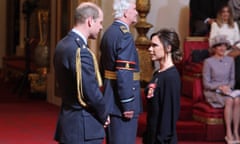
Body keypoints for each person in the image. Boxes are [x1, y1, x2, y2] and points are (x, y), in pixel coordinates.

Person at [53, 2, 110, 144]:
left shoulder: (62, 44)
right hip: (83, 127)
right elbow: (90, 91)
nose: (101, 27)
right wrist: (104, 115)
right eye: (100, 22)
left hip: (68, 122)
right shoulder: (80, 51)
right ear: (90, 21)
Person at [99, 0, 142, 143]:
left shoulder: (109, 32)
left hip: (110, 98)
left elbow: (102, 67)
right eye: (134, 9)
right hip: (120, 103)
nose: (137, 12)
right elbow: (124, 73)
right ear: (125, 12)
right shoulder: (125, 35)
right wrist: (127, 104)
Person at [143, 29, 182, 144]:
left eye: (155, 46)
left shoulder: (171, 77)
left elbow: (168, 116)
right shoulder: (158, 73)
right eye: (150, 45)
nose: (150, 49)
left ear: (168, 48)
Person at [203, 35, 240, 144]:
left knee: (237, 100)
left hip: (228, 90)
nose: (222, 48)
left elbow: (232, 79)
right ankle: (228, 133)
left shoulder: (230, 60)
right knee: (229, 100)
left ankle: (236, 132)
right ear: (214, 48)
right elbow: (206, 83)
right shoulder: (208, 62)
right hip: (213, 91)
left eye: (224, 46)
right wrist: (219, 87)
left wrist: (228, 87)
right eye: (219, 46)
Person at [209, 4, 240, 89]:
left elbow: (238, 40)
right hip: (221, 49)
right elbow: (212, 41)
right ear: (220, 13)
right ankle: (237, 86)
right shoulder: (215, 24)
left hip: (234, 50)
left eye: (227, 12)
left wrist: (237, 47)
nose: (226, 14)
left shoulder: (234, 24)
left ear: (230, 13)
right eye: (223, 12)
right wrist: (225, 44)